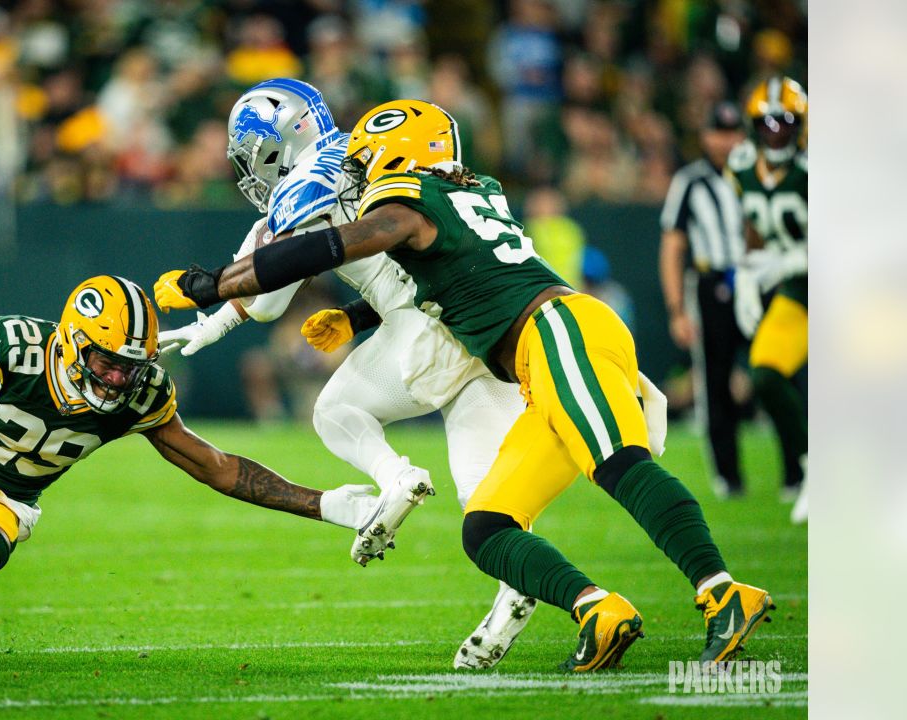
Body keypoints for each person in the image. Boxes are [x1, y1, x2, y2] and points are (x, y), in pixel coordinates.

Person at [154, 99, 773, 671]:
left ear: (403, 156)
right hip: (530, 359)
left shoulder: (410, 199)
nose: (362, 173)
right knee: (488, 526)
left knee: (619, 467)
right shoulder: (468, 194)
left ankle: (723, 592)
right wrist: (355, 317)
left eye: (369, 161)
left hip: (556, 333)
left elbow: (330, 247)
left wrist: (213, 286)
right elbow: (446, 280)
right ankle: (596, 609)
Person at [0, 276, 379, 668]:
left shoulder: (142, 394)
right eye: (107, 361)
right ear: (72, 342)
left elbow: (218, 468)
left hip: (1, 502)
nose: (120, 377)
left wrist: (324, 504)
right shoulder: (16, 348)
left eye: (130, 365)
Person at [157, 79, 534, 669]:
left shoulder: (305, 183)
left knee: (334, 412)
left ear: (278, 142)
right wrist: (358, 314)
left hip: (422, 329)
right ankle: (540, 595)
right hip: (483, 324)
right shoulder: (366, 153)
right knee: (489, 503)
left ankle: (396, 476)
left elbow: (270, 284)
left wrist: (204, 309)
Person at [726, 77, 809, 523]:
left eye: (787, 121)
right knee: (766, 373)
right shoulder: (741, 164)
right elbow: (753, 226)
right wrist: (746, 273)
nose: (777, 131)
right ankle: (810, 468)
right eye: (768, 122)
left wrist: (796, 258)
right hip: (802, 293)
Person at [659, 101, 750, 497]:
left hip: (759, 281)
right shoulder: (691, 181)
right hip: (712, 285)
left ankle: (797, 471)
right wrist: (677, 308)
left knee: (776, 373)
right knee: (714, 382)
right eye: (720, 132)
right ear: (705, 136)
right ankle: (728, 476)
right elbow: (673, 245)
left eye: (734, 132)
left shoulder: (758, 175)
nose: (727, 141)